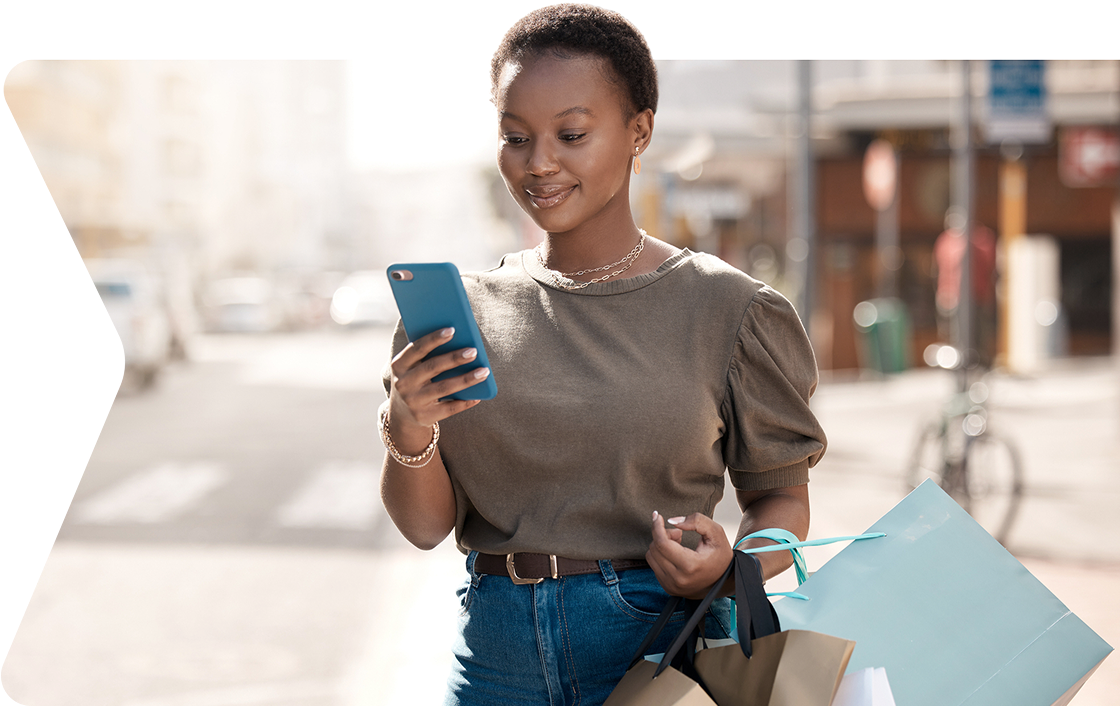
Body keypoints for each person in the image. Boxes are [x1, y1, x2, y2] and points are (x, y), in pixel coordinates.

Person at [379, 5, 826, 704]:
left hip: (657, 649)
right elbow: (425, 527)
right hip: (495, 659)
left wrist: (729, 567)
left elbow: (782, 499)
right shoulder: (461, 314)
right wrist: (407, 428)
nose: (539, 162)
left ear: (638, 130)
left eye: (572, 134)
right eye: (516, 136)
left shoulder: (730, 310)